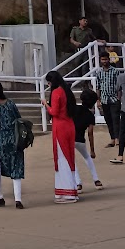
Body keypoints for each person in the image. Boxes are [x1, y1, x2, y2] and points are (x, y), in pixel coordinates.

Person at [45, 70, 79, 202]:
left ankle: (67, 192)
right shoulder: (66, 91)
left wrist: (45, 104)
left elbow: (54, 111)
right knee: (68, 157)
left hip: (60, 127)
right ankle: (69, 190)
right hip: (69, 125)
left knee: (62, 158)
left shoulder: (56, 92)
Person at [72, 87, 103, 190]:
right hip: (80, 140)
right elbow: (90, 133)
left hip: (70, 138)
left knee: (72, 160)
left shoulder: (74, 109)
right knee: (87, 157)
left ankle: (78, 183)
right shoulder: (90, 115)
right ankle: (96, 180)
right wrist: (92, 150)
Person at [94, 50, 123, 146]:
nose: (104, 61)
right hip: (104, 99)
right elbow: (98, 87)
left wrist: (119, 98)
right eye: (102, 60)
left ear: (109, 60)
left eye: (106, 59)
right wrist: (98, 100)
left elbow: (119, 86)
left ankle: (117, 138)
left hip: (114, 98)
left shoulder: (115, 71)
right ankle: (112, 139)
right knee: (108, 119)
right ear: (100, 60)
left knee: (115, 119)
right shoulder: (99, 72)